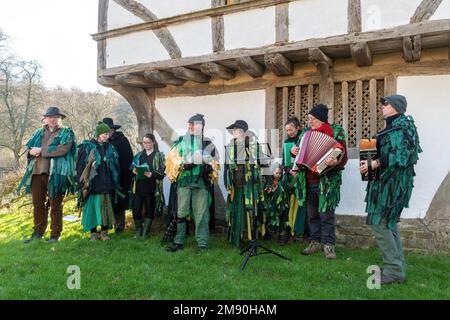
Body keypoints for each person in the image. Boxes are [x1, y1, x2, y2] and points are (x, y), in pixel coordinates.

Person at [360, 94, 421, 285]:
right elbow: (387, 152)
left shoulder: (402, 127)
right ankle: (397, 267)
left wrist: (376, 163)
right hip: (384, 183)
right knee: (388, 223)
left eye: (385, 104)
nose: (383, 107)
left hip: (393, 184)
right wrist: (367, 162)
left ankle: (394, 270)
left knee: (379, 222)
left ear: (396, 106)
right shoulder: (391, 127)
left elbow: (400, 155)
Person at [293, 104, 348, 259]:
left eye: (312, 119)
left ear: (321, 119)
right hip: (308, 181)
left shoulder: (336, 131)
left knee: (326, 215)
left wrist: (334, 161)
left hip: (327, 181)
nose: (309, 122)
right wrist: (293, 151)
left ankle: (328, 245)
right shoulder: (305, 133)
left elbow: (342, 155)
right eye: (309, 119)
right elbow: (299, 153)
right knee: (312, 215)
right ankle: (315, 242)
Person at [18, 107, 76, 244]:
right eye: (50, 117)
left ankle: (55, 235)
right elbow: (30, 149)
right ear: (46, 118)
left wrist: (41, 151)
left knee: (56, 205)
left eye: (56, 117)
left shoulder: (66, 133)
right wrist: (30, 152)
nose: (53, 119)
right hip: (37, 172)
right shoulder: (38, 132)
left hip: (56, 174)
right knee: (38, 204)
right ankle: (38, 232)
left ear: (60, 119)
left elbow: (63, 149)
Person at [165, 114, 219, 253]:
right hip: (184, 181)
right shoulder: (181, 141)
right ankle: (178, 241)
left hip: (201, 183)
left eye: (193, 124)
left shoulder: (208, 143)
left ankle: (202, 244)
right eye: (189, 124)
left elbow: (215, 161)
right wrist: (183, 165)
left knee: (201, 214)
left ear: (201, 126)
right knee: (181, 213)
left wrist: (208, 166)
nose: (190, 127)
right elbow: (172, 159)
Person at [76, 122, 121, 241]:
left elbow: (116, 166)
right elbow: (81, 166)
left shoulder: (110, 148)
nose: (107, 136)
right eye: (105, 134)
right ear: (98, 134)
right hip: (92, 185)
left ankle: (104, 232)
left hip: (106, 183)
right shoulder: (88, 147)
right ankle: (94, 233)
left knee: (105, 208)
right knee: (92, 209)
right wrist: (90, 167)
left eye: (108, 134)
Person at [224, 120, 265, 248]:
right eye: (234, 130)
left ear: (244, 132)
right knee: (236, 211)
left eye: (237, 130)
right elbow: (227, 167)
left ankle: (251, 237)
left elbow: (261, 161)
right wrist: (228, 183)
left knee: (250, 210)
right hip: (236, 184)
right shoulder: (230, 146)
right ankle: (237, 238)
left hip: (250, 186)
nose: (235, 132)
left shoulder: (253, 145)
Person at [280, 117, 309, 244]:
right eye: (287, 130)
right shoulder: (286, 142)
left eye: (291, 129)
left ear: (298, 128)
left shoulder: (303, 140)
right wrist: (286, 171)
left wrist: (299, 172)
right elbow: (284, 160)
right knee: (288, 203)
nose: (289, 132)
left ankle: (299, 232)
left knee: (300, 205)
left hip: (301, 177)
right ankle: (288, 230)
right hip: (289, 176)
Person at [130, 133, 165, 239]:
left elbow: (162, 174)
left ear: (153, 142)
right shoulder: (139, 155)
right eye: (144, 142)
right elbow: (132, 168)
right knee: (136, 209)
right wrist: (134, 171)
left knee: (150, 210)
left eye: (148, 142)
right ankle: (138, 231)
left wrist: (152, 174)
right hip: (139, 187)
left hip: (152, 188)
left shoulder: (158, 156)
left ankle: (145, 233)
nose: (146, 144)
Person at [102, 117, 133, 235]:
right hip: (105, 179)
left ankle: (119, 227)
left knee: (119, 203)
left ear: (113, 129)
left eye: (109, 130)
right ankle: (107, 226)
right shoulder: (101, 142)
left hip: (120, 178)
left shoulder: (122, 141)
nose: (107, 132)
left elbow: (128, 159)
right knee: (106, 202)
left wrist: (123, 176)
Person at [263, 165, 287, 241]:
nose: (278, 175)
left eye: (280, 173)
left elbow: (285, 194)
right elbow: (267, 194)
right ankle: (269, 237)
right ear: (272, 173)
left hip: (281, 206)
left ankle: (282, 238)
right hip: (272, 206)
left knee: (282, 221)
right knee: (271, 220)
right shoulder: (269, 182)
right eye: (277, 173)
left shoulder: (282, 183)